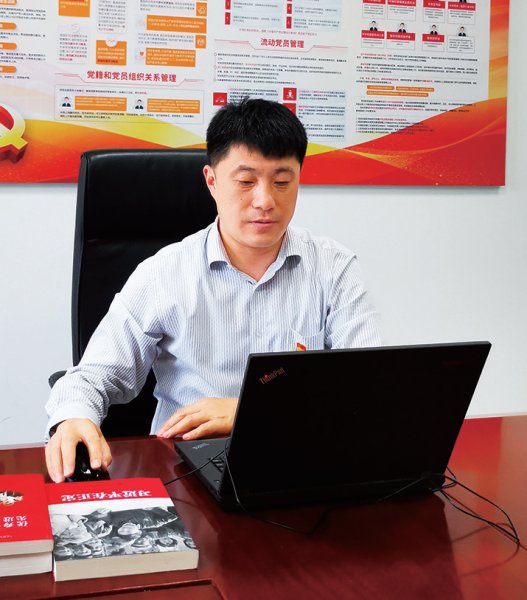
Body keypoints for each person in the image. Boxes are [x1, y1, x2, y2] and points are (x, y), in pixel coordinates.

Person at [45, 98, 382, 483]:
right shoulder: (164, 273)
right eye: (246, 182)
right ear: (212, 180)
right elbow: (90, 378)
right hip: (184, 468)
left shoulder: (334, 267)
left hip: (301, 460)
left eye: (282, 182)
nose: (265, 201)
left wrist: (247, 411)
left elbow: (368, 388)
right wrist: (72, 417)